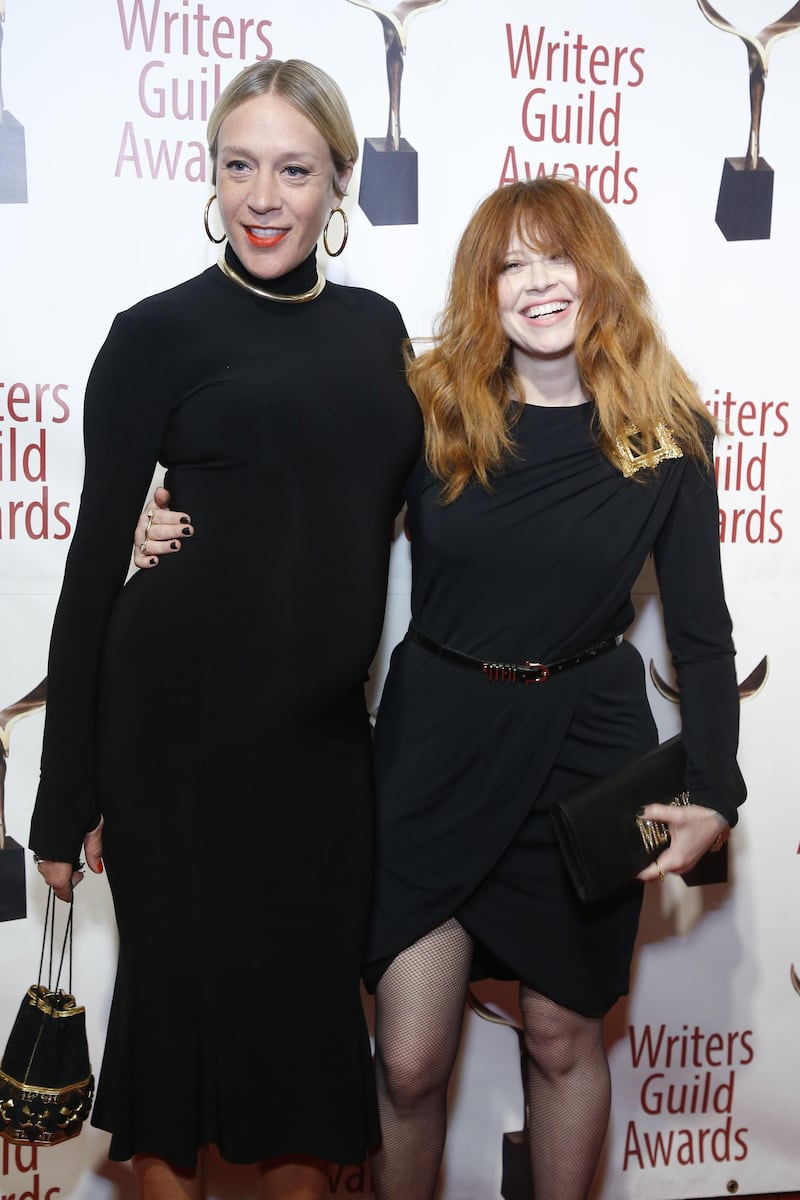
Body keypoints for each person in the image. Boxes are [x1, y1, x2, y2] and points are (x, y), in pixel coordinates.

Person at [132, 177, 741, 1200]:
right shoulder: (432, 409)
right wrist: (178, 521)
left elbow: (703, 637)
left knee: (558, 1037)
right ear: (481, 288)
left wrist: (714, 792)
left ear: (599, 276)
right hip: (434, 744)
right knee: (408, 1060)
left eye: (558, 258)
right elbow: (304, 528)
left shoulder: (666, 431)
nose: (537, 283)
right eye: (510, 264)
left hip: (587, 751)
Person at [29, 58, 421, 1200]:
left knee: (303, 1050)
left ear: (339, 183)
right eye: (238, 165)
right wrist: (65, 797)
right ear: (208, 174)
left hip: (317, 752)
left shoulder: (378, 332)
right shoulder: (154, 334)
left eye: (293, 169)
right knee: (178, 1033)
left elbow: (430, 497)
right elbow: (93, 565)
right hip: (175, 744)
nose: (263, 195)